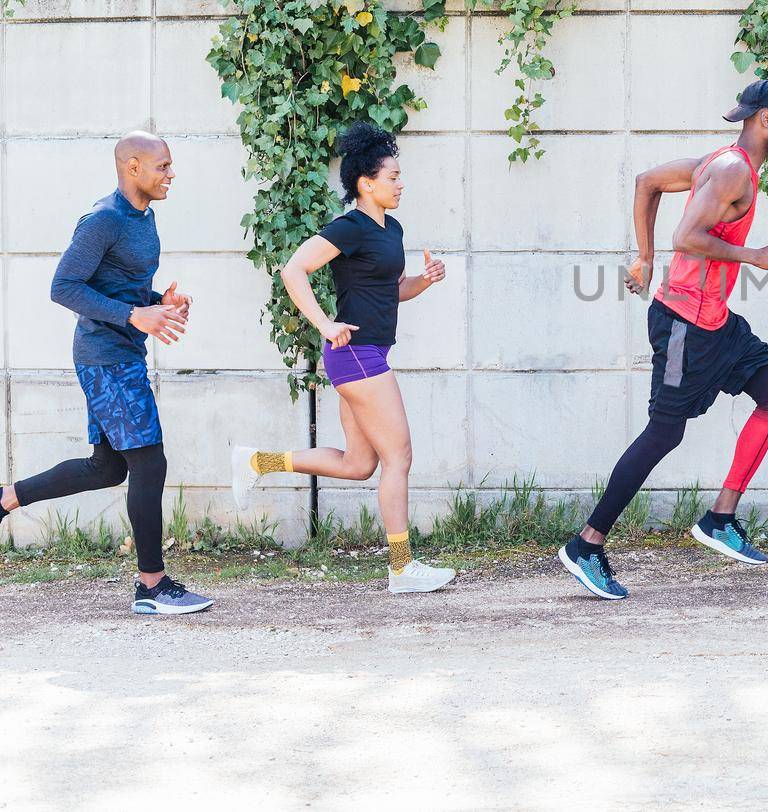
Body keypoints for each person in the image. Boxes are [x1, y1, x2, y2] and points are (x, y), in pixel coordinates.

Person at [559, 79, 768, 600]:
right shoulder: (733, 168)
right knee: (664, 433)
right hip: (684, 325)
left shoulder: (722, 161)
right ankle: (586, 544)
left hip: (717, 322)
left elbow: (647, 182)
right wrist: (751, 256)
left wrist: (644, 258)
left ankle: (720, 518)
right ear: (764, 119)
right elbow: (687, 237)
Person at [231, 123, 456, 592]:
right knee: (400, 457)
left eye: (399, 176)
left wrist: (425, 280)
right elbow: (294, 268)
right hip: (356, 354)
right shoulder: (348, 227)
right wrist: (324, 324)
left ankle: (258, 462)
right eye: (392, 176)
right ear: (365, 183)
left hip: (364, 354)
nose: (400, 183)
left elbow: (391, 291)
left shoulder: (391, 229)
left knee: (360, 464)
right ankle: (400, 567)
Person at [0, 132, 213, 614]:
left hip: (121, 352)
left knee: (109, 466)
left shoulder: (144, 217)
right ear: (132, 167)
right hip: (105, 356)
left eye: (171, 165)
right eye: (163, 166)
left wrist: (158, 301)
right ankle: (152, 587)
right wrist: (133, 316)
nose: (171, 174)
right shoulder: (103, 220)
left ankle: (7, 497)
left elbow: (121, 286)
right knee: (149, 462)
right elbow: (63, 287)